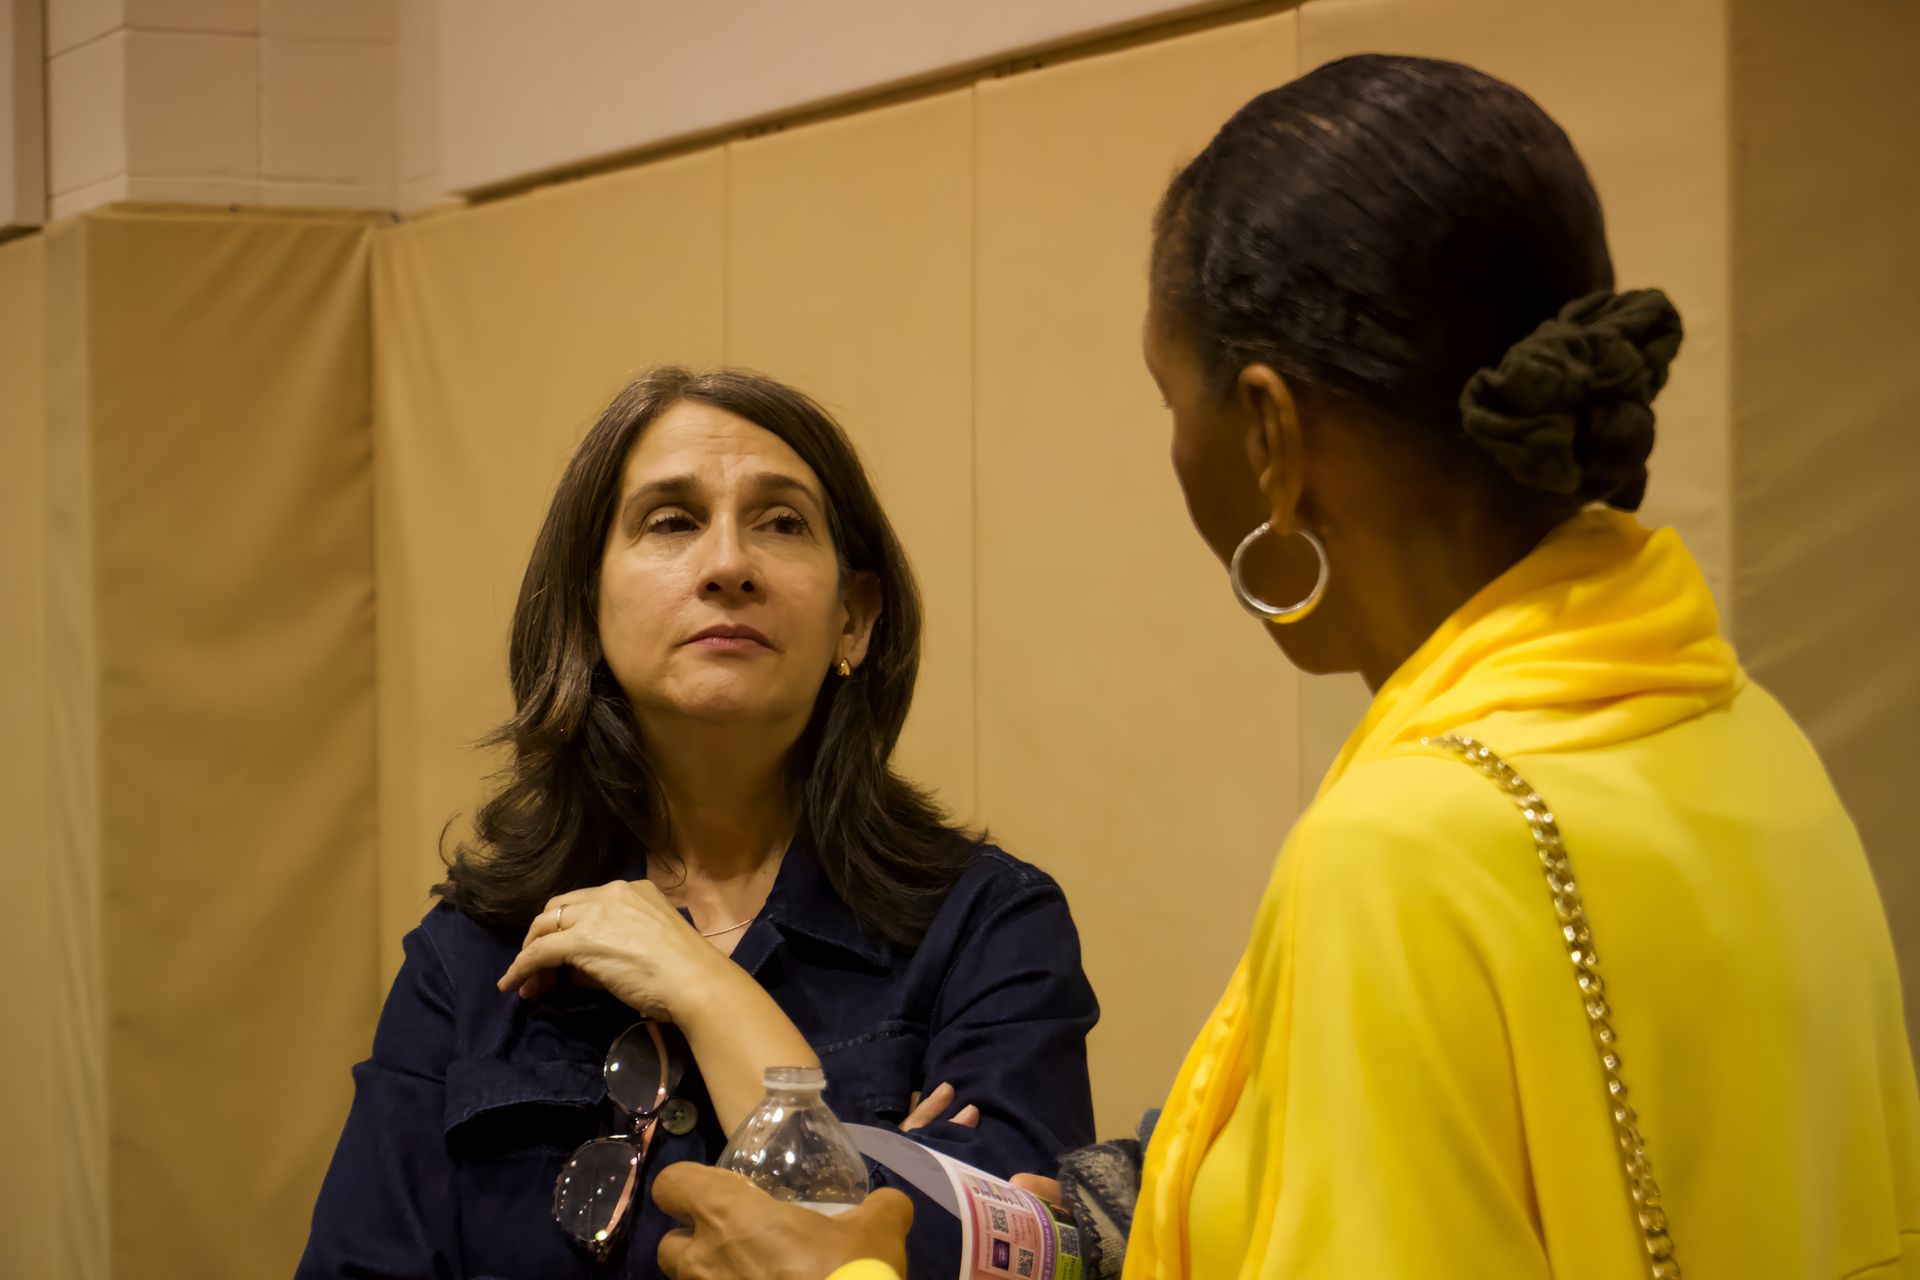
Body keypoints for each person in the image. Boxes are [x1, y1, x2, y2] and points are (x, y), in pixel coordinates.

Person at [649, 54, 1920, 1280]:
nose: (727, 568)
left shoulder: (1408, 853)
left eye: (1170, 397)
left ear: (1269, 435)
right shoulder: (1744, 736)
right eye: (664, 520)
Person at [297, 367, 1099, 1278]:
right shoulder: (471, 958)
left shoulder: (989, 931)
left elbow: (1026, 1261)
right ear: (588, 607)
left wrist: (705, 989)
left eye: (783, 522)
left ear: (856, 620)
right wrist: (887, 1168)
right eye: (672, 522)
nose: (728, 565)